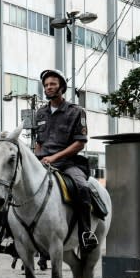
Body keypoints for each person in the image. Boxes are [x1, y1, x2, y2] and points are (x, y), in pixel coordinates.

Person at [34, 68, 97, 250]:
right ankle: (18, 238)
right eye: (46, 85)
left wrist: (54, 157)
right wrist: (37, 158)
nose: (49, 87)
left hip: (68, 163)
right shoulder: (40, 113)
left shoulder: (76, 111)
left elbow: (80, 143)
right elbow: (39, 142)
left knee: (82, 187)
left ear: (62, 87)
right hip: (43, 163)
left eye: (53, 84)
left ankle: (86, 232)